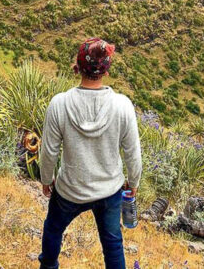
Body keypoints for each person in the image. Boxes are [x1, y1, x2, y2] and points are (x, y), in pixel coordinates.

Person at [39, 37, 142, 269]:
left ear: (78, 66)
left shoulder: (60, 104)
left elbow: (49, 151)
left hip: (70, 189)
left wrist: (46, 179)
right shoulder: (122, 105)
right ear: (106, 70)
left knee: (53, 229)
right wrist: (133, 183)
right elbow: (132, 153)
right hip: (109, 190)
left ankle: (48, 266)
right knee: (113, 243)